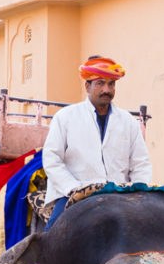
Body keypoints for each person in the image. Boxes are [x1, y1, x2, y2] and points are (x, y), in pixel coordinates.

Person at [42, 55, 152, 226]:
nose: (106, 90)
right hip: (73, 195)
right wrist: (74, 188)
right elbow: (52, 159)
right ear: (88, 86)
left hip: (120, 195)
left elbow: (140, 163)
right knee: (54, 236)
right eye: (100, 83)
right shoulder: (65, 117)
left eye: (111, 84)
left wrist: (138, 190)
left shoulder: (128, 121)